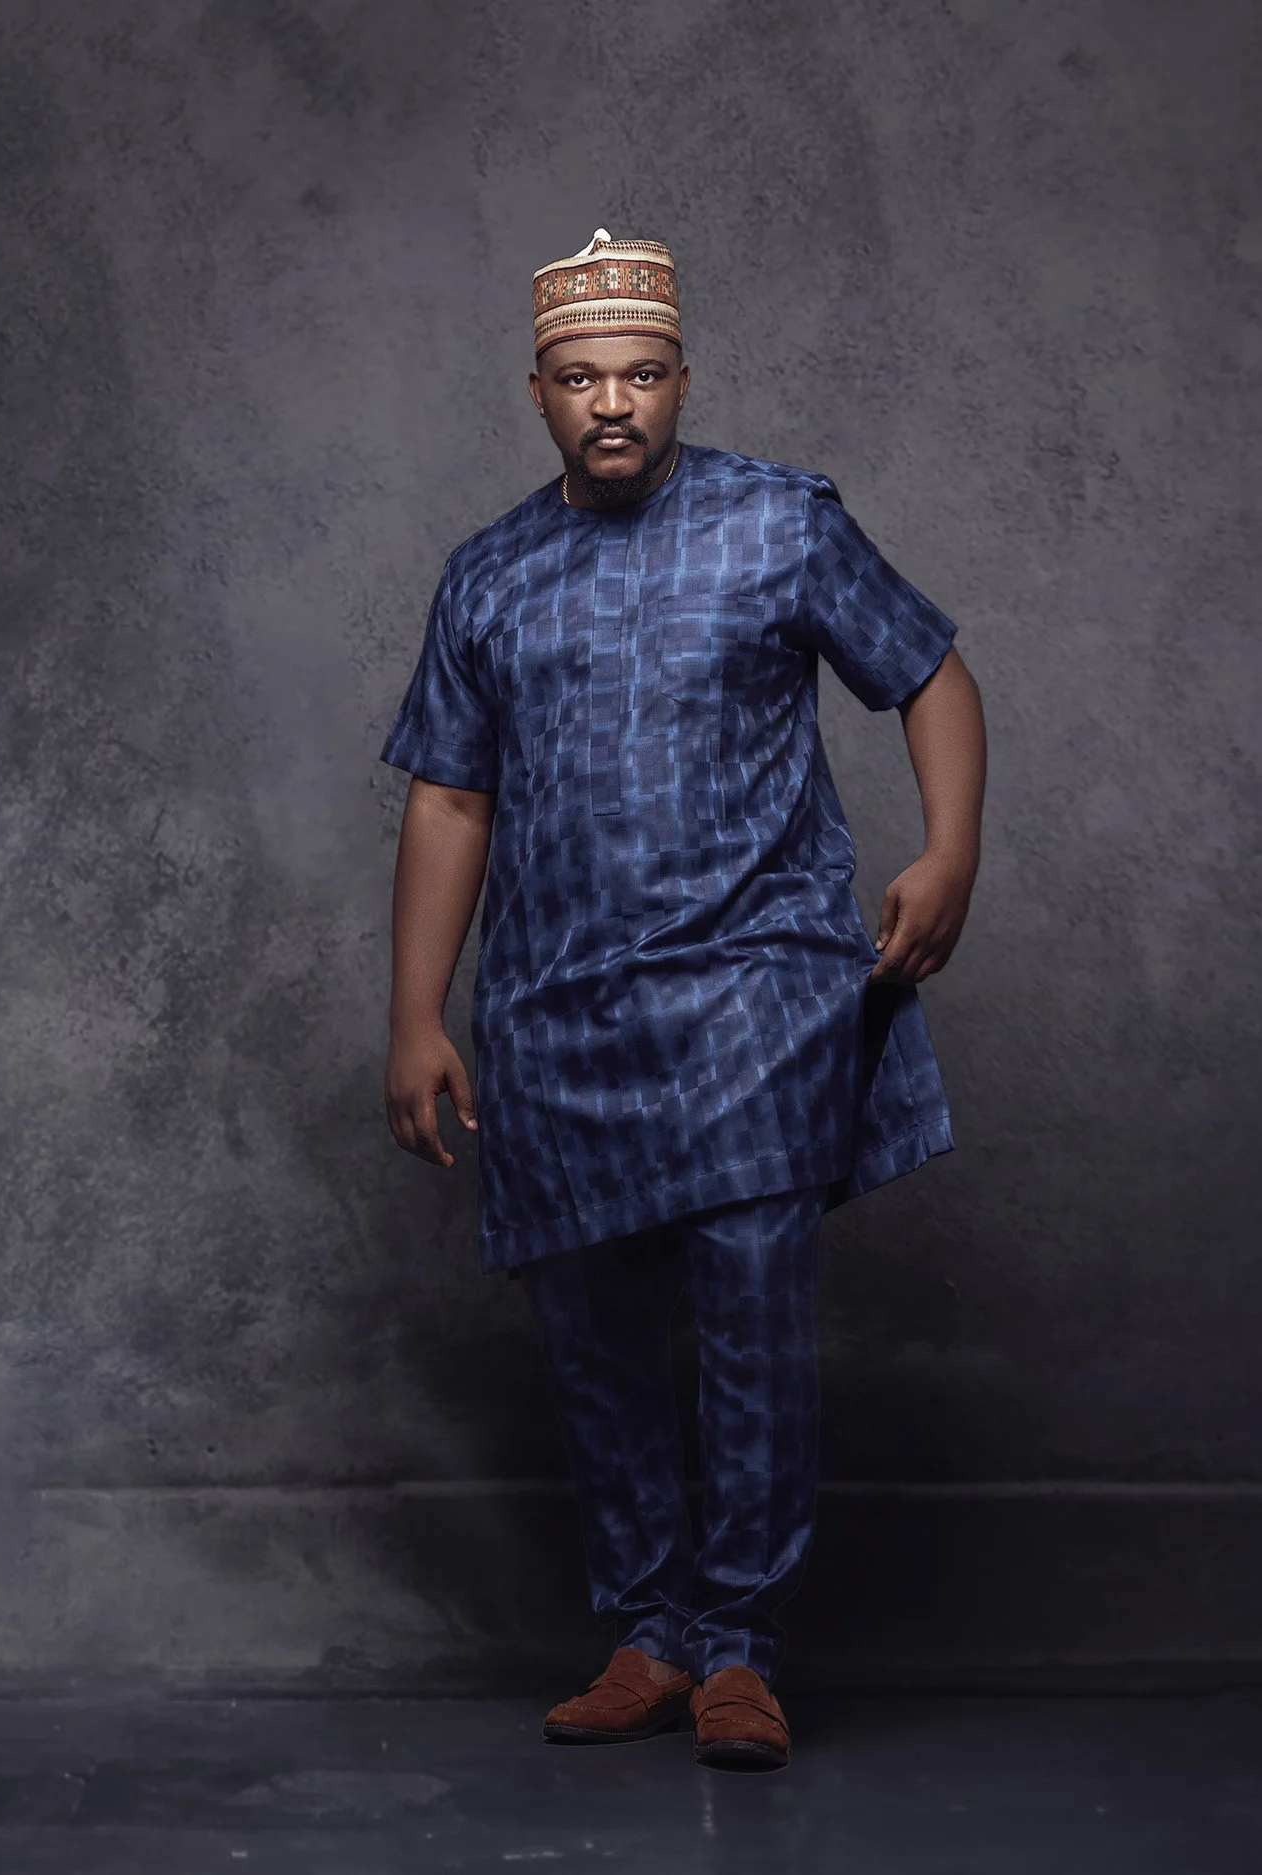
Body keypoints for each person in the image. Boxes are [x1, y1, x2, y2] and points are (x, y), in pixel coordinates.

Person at [379, 230, 987, 1771]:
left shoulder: (781, 522)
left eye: (641, 375)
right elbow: (450, 798)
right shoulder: (488, 575)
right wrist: (416, 1014)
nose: (613, 404)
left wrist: (950, 852)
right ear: (537, 392)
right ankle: (648, 1632)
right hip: (556, 1009)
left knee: (749, 1311)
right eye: (582, 378)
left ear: (682, 380)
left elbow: (929, 670)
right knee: (590, 1331)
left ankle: (741, 1648)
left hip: (753, 988)